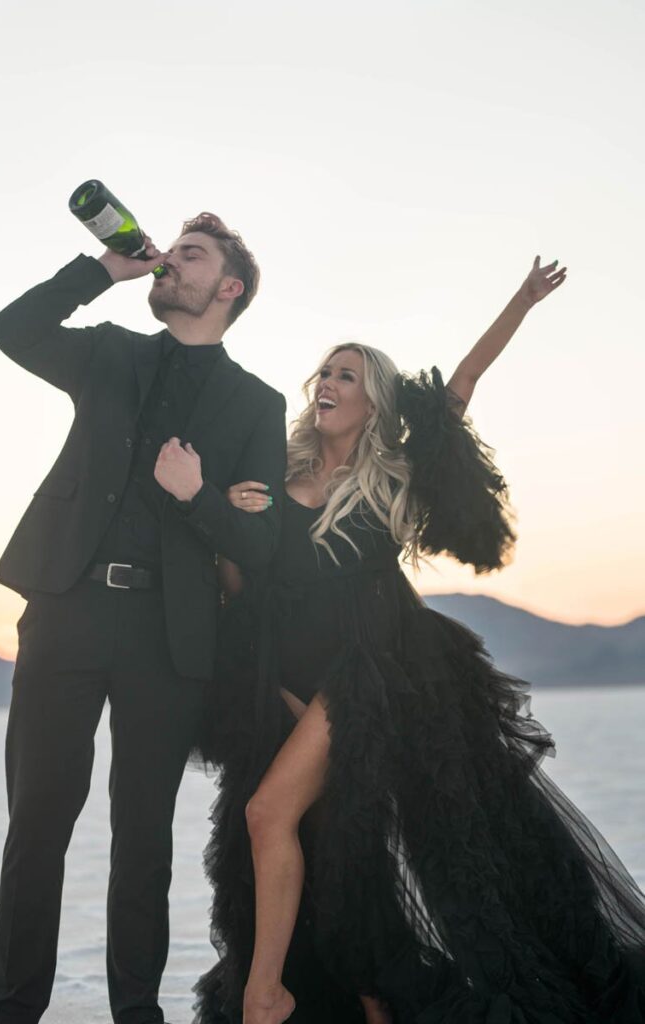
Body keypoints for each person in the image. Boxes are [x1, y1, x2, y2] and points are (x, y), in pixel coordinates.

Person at [193, 256, 645, 1024]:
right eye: (324, 372)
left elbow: (458, 389)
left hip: (365, 677)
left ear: (374, 403)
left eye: (348, 376)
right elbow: (244, 579)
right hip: (281, 679)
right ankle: (374, 1003)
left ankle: (265, 997)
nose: (327, 384)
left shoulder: (392, 478)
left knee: (269, 815)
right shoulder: (274, 473)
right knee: (338, 851)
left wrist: (519, 303)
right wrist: (230, 507)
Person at [0, 213, 286, 1024]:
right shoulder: (111, 353)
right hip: (66, 609)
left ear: (228, 288)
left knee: (143, 838)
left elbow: (259, 546)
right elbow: (9, 329)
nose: (169, 261)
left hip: (170, 634)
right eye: (170, 251)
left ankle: (136, 1015)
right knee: (37, 823)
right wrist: (100, 270)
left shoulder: (257, 404)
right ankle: (13, 1012)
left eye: (189, 255)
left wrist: (198, 498)